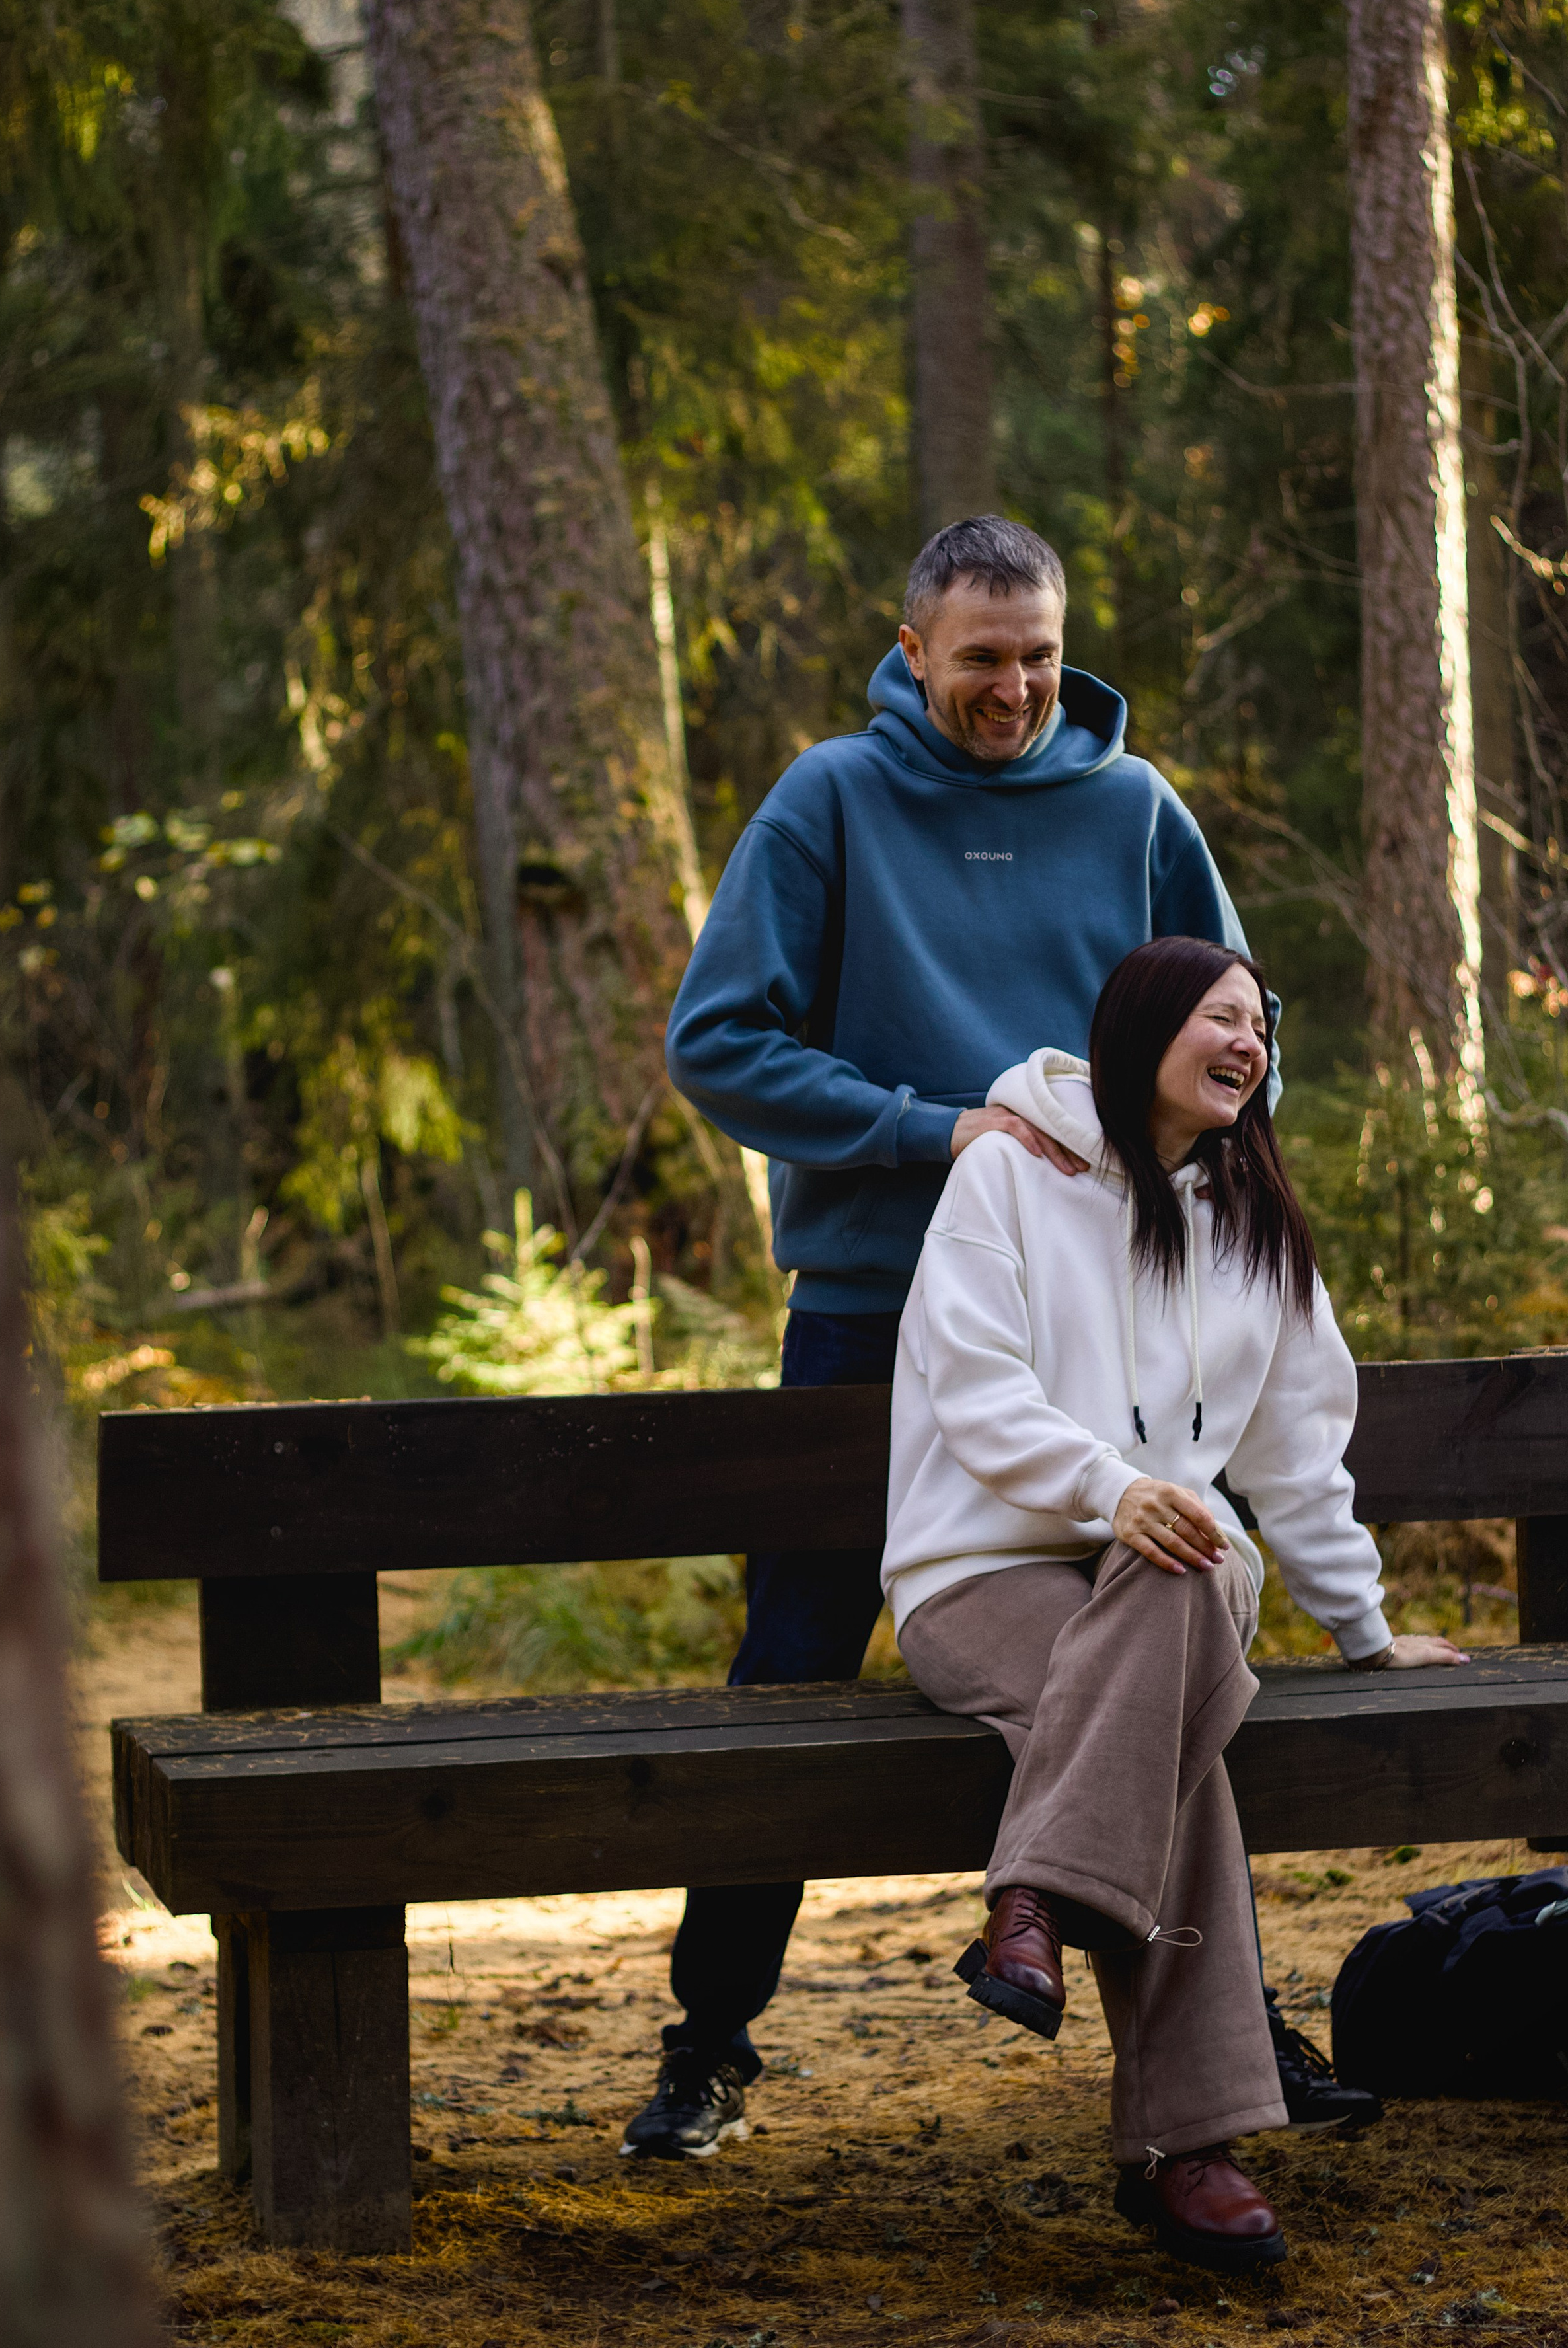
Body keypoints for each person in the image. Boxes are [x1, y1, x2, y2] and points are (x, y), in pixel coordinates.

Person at [622, 514, 1370, 2161]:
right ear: (912, 656)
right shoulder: (832, 798)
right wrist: (929, 1129)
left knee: (1153, 1629)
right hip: (870, 1312)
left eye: (1038, 654)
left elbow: (1240, 1026)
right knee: (786, 1669)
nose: (1014, 686)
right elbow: (717, 1041)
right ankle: (710, 2043)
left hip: (1100, 1302)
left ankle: (1201, 2019)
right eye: (981, 659)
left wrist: (1191, 1195)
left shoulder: (1133, 809)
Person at [885, 937, 1466, 2271]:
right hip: (978, 1574)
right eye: (1221, 1018)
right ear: (1145, 1026)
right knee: (1174, 1758)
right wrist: (1106, 1488)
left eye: (1259, 1029)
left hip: (1182, 1574)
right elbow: (972, 1390)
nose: (1247, 1046)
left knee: (1189, 1553)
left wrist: (1363, 1629)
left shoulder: (1257, 1222)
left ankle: (1032, 1899)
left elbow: (1294, 1459)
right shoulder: (1005, 1177)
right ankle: (1180, 2150)